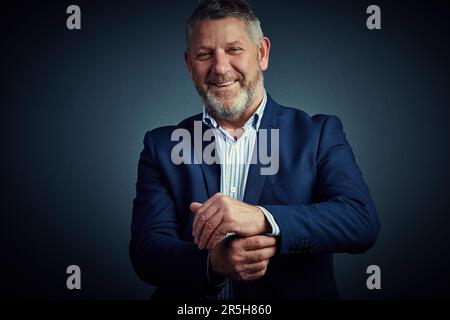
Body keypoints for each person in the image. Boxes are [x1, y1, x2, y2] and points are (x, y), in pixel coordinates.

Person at [130, 0, 380, 300]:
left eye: (234, 49)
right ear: (189, 65)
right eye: (204, 54)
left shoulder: (318, 134)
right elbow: (146, 252)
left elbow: (361, 221)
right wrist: (213, 264)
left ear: (261, 53)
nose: (220, 68)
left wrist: (264, 218)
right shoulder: (161, 145)